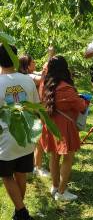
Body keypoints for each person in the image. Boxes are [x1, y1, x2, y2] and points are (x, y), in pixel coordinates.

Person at [40, 55, 89, 201]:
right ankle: (61, 192)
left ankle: (55, 186)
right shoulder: (66, 88)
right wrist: (84, 100)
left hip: (50, 125)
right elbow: (80, 106)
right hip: (64, 127)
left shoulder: (45, 84)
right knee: (67, 158)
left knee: (54, 156)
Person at [0, 43, 39, 220]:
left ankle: (22, 212)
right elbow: (36, 107)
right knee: (21, 173)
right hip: (26, 136)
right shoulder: (27, 80)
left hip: (6, 140)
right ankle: (19, 210)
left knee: (7, 175)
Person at [18, 54, 50, 177]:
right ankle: (37, 167)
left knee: (34, 140)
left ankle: (33, 166)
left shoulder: (23, 75)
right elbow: (43, 78)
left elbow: (40, 73)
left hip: (29, 111)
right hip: (34, 111)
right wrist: (50, 57)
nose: (35, 65)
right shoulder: (29, 77)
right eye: (33, 63)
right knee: (38, 140)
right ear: (27, 66)